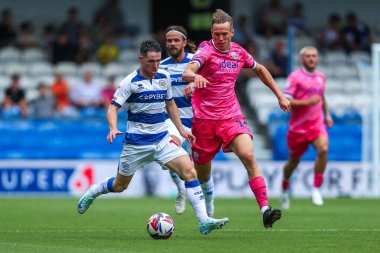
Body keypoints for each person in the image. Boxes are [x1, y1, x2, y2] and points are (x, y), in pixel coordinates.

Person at [77, 40, 229, 236]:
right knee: (119, 185)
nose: (156, 65)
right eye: (151, 61)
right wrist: (113, 127)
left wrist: (181, 130)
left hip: (162, 140)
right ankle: (94, 191)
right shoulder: (130, 82)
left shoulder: (164, 76)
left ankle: (203, 220)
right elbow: (113, 108)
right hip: (136, 145)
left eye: (158, 60)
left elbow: (170, 104)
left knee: (190, 172)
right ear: (141, 59)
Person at [182, 9, 291, 228]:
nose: (220, 39)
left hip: (231, 117)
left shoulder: (239, 52)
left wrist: (280, 95)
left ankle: (265, 210)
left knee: (248, 156)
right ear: (211, 34)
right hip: (204, 121)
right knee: (202, 173)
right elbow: (187, 71)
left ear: (232, 32)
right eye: (216, 35)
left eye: (224, 34)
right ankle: (209, 199)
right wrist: (196, 77)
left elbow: (260, 69)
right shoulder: (205, 51)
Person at [280, 46, 333, 210]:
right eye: (308, 56)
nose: (312, 59)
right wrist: (307, 102)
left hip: (317, 125)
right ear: (302, 59)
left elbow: (321, 97)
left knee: (323, 149)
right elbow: (286, 100)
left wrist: (328, 114)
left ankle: (316, 189)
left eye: (314, 56)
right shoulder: (295, 77)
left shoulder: (321, 77)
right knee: (293, 161)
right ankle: (284, 188)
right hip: (298, 128)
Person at [159, 25, 197, 215]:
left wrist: (194, 82)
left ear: (184, 42)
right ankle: (181, 190)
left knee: (201, 168)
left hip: (199, 121)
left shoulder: (196, 62)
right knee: (170, 151)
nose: (172, 44)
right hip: (174, 122)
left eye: (176, 40)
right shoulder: (162, 65)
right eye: (169, 41)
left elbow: (210, 82)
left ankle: (209, 206)